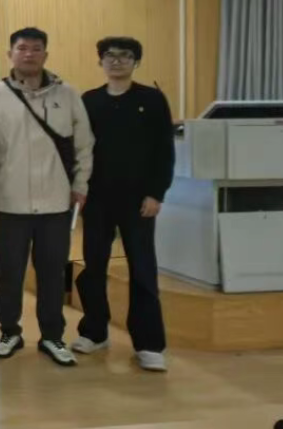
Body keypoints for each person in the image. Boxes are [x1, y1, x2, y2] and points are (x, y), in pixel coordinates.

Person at [0, 28, 93, 367]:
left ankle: (52, 336)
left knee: (52, 275)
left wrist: (81, 184)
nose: (29, 54)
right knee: (10, 274)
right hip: (9, 202)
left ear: (46, 54)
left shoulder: (68, 95)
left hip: (56, 202)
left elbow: (84, 145)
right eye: (22, 48)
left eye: (36, 48)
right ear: (10, 54)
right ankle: (9, 332)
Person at [74, 37, 173, 373]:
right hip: (97, 199)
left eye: (125, 56)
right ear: (100, 61)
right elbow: (80, 150)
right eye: (110, 56)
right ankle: (94, 331)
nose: (116, 61)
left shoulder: (152, 99)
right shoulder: (89, 100)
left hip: (139, 201)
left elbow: (164, 150)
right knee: (93, 267)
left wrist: (156, 193)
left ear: (136, 62)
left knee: (142, 270)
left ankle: (148, 344)